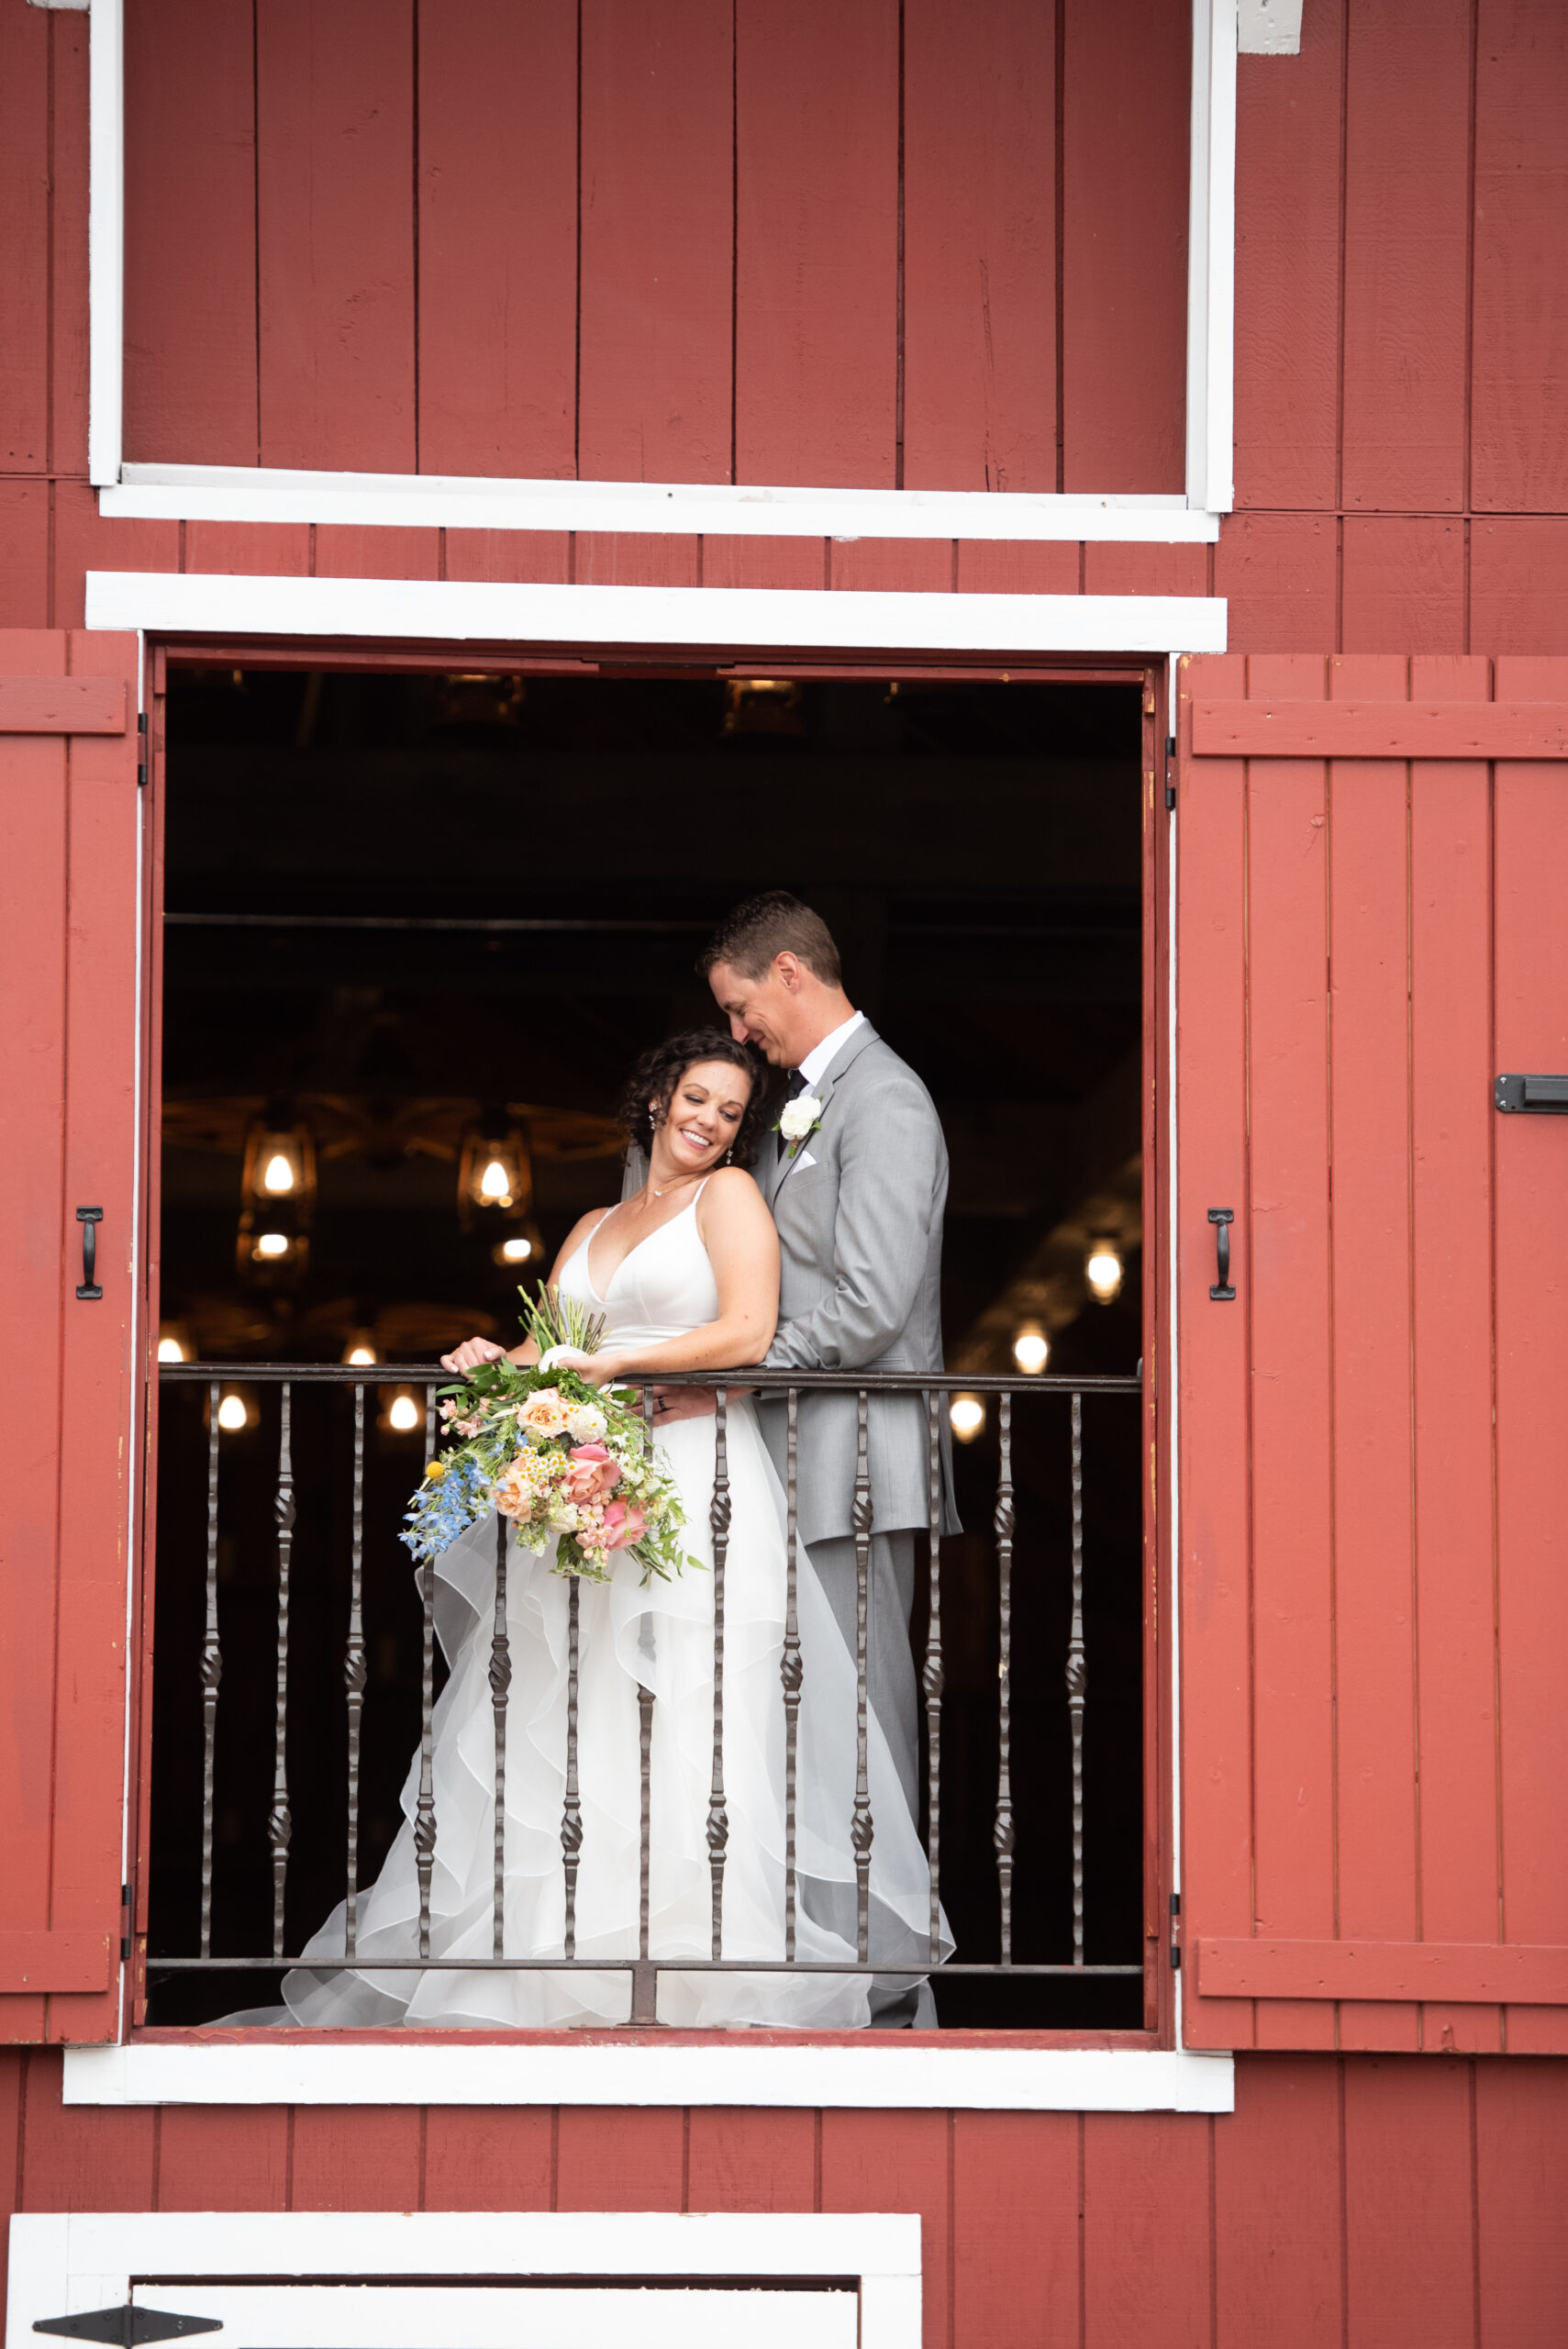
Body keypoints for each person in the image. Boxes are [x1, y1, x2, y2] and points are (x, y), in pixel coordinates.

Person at [273, 1028, 946, 2030]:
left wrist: (621, 1371)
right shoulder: (594, 1217)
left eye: (729, 1111)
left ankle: (688, 1969)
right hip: (593, 1481)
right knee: (569, 1708)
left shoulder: (729, 1200)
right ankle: (556, 1964)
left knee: (687, 1717)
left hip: (690, 1474)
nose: (709, 1120)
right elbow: (556, 1340)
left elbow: (747, 1332)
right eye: (695, 1098)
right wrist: (489, 1357)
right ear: (654, 1099)